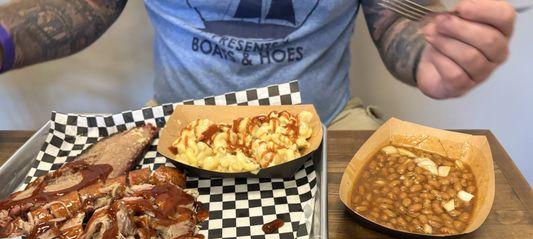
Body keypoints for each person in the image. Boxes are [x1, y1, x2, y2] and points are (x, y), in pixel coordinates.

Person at [0, 0, 516, 129]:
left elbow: (400, 20)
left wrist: (438, 53)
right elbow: (80, 8)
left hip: (327, 125)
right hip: (176, 123)